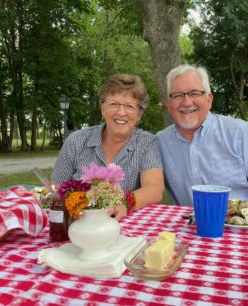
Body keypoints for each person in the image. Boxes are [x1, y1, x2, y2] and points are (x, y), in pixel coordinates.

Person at [156, 64, 248, 211]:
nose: (187, 102)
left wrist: (243, 222)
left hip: (243, 228)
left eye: (194, 93)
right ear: (168, 104)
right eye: (177, 95)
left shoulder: (241, 134)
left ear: (209, 99)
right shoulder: (160, 142)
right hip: (189, 230)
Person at [52, 74, 164, 220]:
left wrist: (124, 204)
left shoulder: (147, 142)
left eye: (129, 106)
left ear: (139, 114)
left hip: (124, 230)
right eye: (114, 104)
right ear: (103, 108)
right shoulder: (76, 141)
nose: (121, 112)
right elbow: (55, 188)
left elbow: (155, 189)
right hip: (78, 224)